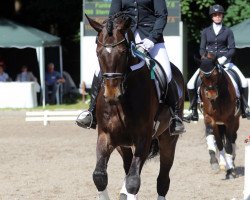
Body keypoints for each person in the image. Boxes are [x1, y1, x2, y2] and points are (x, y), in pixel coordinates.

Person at [76, 0, 185, 134]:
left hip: (151, 37)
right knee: (98, 70)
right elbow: (112, 16)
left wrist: (152, 38)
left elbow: (161, 16)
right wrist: (110, 33)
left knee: (166, 72)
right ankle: (91, 112)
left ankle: (175, 117)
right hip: (125, 37)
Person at [184, 4, 250, 122]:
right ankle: (193, 111)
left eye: (219, 14)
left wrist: (223, 59)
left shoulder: (228, 31)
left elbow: (232, 49)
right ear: (212, 17)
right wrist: (206, 59)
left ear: (222, 16)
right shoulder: (205, 31)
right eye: (215, 15)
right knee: (190, 84)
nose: (217, 16)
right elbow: (202, 49)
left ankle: (245, 108)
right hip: (209, 64)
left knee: (244, 82)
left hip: (225, 62)